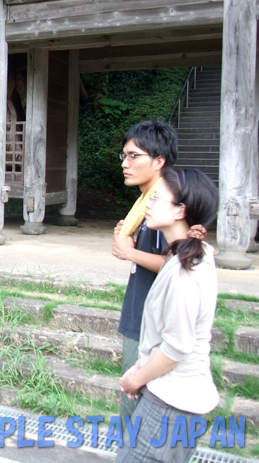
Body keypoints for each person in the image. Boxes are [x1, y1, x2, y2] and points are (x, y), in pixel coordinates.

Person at [117, 167, 219, 462]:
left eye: (156, 198)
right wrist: (140, 369)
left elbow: (176, 347)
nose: (147, 204)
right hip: (169, 396)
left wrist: (136, 380)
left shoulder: (184, 273)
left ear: (179, 211)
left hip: (172, 404)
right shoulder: (184, 255)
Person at [111, 120, 177, 424]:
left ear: (159, 160)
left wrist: (130, 252)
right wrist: (134, 245)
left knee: (137, 412)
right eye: (124, 156)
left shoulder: (164, 207)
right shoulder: (144, 204)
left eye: (134, 156)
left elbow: (179, 262)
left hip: (151, 324)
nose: (126, 164)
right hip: (140, 312)